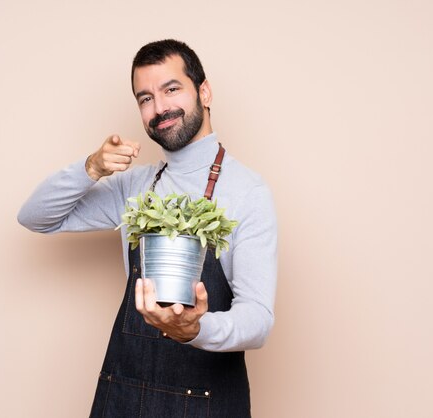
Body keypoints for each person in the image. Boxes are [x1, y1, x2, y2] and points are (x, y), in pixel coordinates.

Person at [18, 39, 277, 417]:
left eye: (171, 89)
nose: (160, 108)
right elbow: (35, 216)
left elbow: (258, 319)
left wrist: (195, 329)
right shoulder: (134, 187)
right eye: (145, 98)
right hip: (124, 392)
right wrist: (90, 168)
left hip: (207, 401)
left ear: (203, 92)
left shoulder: (247, 192)